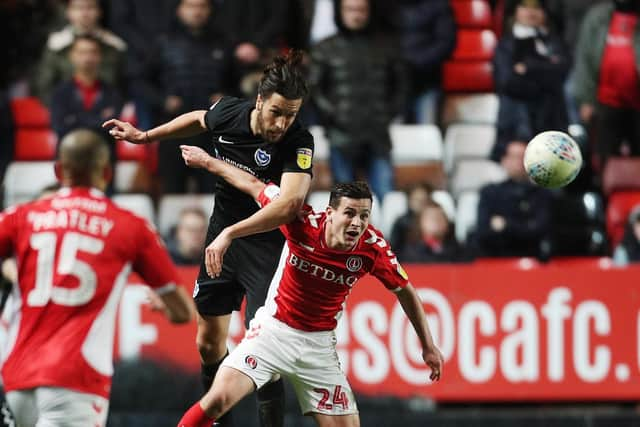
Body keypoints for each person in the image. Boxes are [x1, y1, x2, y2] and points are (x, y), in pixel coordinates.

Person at [103, 50, 313, 427]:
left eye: (291, 114)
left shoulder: (299, 142)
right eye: (276, 112)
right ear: (260, 101)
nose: (282, 122)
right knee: (208, 343)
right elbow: (199, 118)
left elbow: (288, 206)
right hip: (223, 238)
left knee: (264, 346)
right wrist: (145, 136)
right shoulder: (230, 113)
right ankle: (221, 422)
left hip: (268, 246)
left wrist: (231, 231)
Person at [176, 145, 443, 427]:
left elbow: (405, 291)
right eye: (350, 213)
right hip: (273, 334)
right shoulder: (301, 221)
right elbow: (253, 184)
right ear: (330, 213)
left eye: (364, 216)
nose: (357, 223)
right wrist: (207, 162)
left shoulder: (372, 249)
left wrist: (428, 345)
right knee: (217, 400)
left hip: (318, 348)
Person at [0, 129, 193, 427]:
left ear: (58, 170)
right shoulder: (130, 227)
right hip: (75, 382)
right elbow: (183, 312)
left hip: (17, 380)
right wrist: (165, 307)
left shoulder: (19, 217)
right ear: (107, 172)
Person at [308, 0, 408, 203]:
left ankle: (385, 236)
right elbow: (314, 89)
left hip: (377, 134)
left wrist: (387, 113)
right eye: (351, 9)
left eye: (361, 10)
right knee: (345, 201)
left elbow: (401, 86)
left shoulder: (386, 46)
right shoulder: (325, 48)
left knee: (386, 198)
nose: (357, 15)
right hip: (341, 134)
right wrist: (334, 115)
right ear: (340, 12)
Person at [573, 0, 640, 171]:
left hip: (637, 101)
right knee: (605, 158)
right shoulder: (597, 17)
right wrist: (586, 99)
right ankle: (604, 195)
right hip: (605, 101)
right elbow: (584, 58)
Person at [32, 0, 127, 105]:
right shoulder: (56, 45)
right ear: (68, 12)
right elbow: (44, 85)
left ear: (100, 11)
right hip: (66, 113)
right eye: (79, 8)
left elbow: (123, 86)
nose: (84, 13)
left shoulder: (114, 45)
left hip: (106, 112)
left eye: (90, 7)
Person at [476, 140, 553, 259]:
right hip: (497, 260)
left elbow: (540, 230)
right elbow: (483, 232)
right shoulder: (490, 193)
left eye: (523, 157)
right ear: (504, 160)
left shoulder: (541, 194)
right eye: (514, 157)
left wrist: (506, 225)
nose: (519, 162)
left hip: (533, 261)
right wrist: (524, 227)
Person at [50, 34, 124, 142]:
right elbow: (59, 127)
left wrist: (75, 119)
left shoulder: (112, 92)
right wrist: (99, 119)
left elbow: (112, 129)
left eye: (93, 52)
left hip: (104, 155)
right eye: (82, 52)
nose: (88, 58)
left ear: (100, 56)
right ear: (72, 55)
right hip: (69, 154)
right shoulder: (61, 92)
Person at [399, 201, 465, 263]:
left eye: (440, 217)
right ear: (420, 223)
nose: (436, 221)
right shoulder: (410, 253)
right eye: (431, 218)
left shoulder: (458, 251)